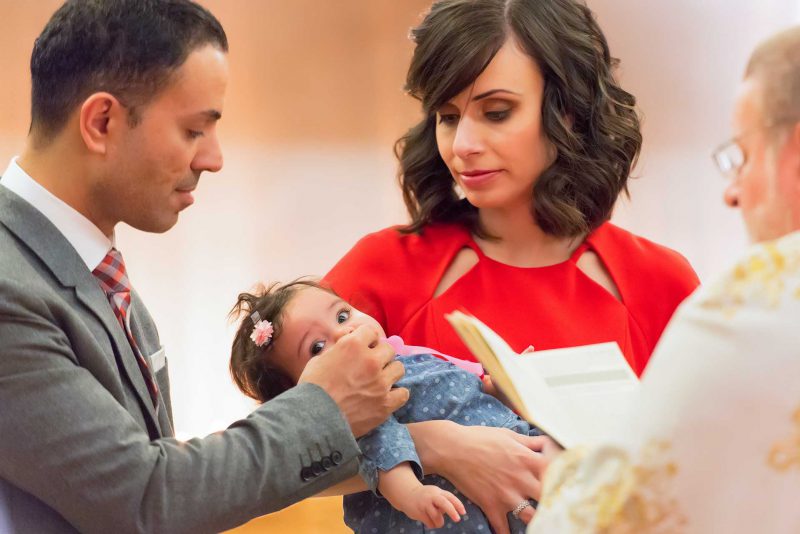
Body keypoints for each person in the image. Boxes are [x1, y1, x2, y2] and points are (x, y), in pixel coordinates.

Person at [0, 2, 408, 533]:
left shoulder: (86, 269)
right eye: (194, 131)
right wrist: (324, 407)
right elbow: (144, 499)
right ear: (101, 122)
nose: (212, 158)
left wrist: (426, 446)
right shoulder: (11, 288)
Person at [323, 0, 698, 531]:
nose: (464, 145)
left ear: (568, 109)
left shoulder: (659, 282)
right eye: (448, 117)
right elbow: (283, 458)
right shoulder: (383, 270)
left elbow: (703, 474)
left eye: (496, 112)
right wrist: (437, 446)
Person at [528, 26, 800, 533]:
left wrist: (566, 473)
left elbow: (607, 520)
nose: (732, 194)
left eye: (742, 156)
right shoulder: (388, 263)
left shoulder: (753, 300)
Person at [229, 279, 546, 533]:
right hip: (452, 509)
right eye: (317, 347)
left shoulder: (406, 355)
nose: (345, 331)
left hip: (521, 457)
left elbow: (475, 390)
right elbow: (380, 448)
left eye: (342, 315)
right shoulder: (362, 398)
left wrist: (505, 384)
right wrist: (412, 493)